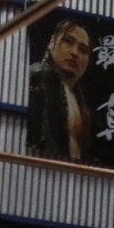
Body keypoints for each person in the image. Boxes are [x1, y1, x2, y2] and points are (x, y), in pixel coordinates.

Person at [26, 19, 92, 160]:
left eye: (83, 50)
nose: (75, 53)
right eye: (68, 42)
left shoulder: (78, 97)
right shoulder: (40, 75)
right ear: (52, 42)